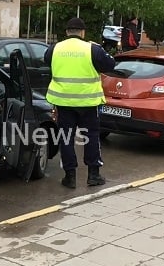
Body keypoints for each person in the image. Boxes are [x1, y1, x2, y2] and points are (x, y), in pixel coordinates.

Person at [45, 16, 116, 188]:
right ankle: (93, 175)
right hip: (88, 103)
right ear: (82, 32)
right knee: (91, 136)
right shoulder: (92, 49)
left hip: (63, 103)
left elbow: (47, 62)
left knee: (66, 138)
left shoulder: (54, 49)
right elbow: (110, 64)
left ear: (66, 32)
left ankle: (70, 177)